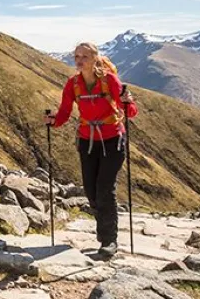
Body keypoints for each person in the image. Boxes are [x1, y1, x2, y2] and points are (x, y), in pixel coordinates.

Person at [45, 42, 137, 257]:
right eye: (77, 56)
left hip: (113, 139)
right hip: (87, 140)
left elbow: (130, 112)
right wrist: (52, 121)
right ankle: (105, 228)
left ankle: (109, 240)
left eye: (84, 56)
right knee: (91, 191)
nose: (79, 60)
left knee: (105, 189)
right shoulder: (73, 84)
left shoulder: (109, 80)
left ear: (95, 58)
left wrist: (127, 102)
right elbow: (65, 112)